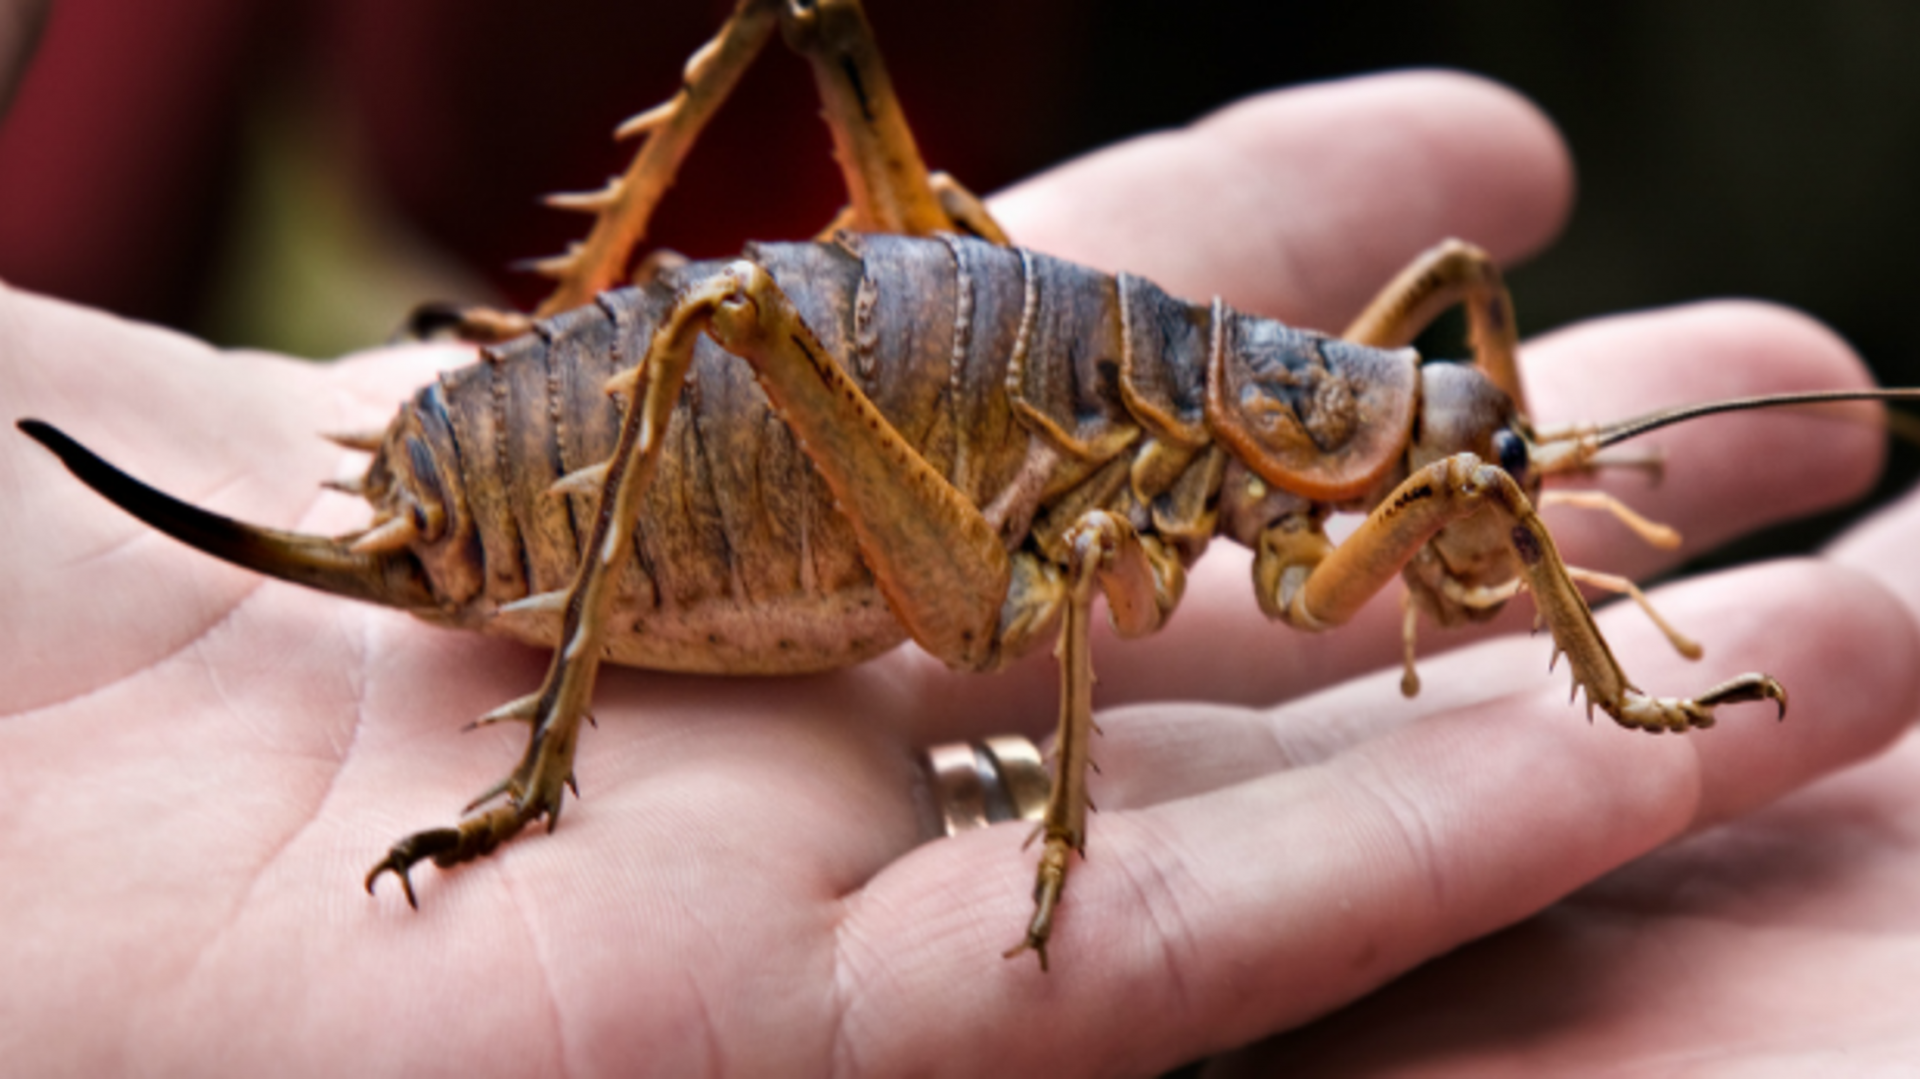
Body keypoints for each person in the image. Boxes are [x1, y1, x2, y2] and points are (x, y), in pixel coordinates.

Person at [5, 60, 1919, 1079]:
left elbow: (1461, 339)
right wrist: (1066, 840)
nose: (1482, 496)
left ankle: (567, 348)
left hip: (950, 357)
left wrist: (1489, 455)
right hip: (696, 444)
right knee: (775, 334)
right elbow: (1083, 547)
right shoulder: (1210, 468)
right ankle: (531, 766)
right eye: (1463, 464)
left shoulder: (1291, 400)